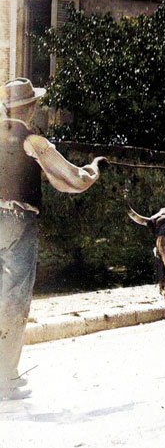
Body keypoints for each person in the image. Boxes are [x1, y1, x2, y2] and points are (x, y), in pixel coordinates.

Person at [1, 78, 103, 401]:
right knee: (14, 297)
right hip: (18, 221)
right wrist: (93, 170)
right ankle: (5, 378)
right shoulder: (32, 141)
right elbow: (71, 178)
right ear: (31, 108)